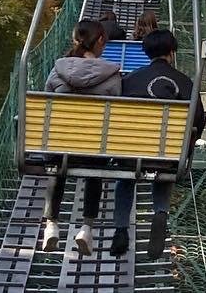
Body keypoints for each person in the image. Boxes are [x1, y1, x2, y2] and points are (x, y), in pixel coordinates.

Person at [112, 29, 196, 259]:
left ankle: (121, 228)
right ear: (172, 52)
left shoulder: (130, 79)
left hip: (130, 153)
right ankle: (160, 212)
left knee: (125, 177)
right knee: (165, 165)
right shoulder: (185, 83)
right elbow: (197, 119)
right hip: (166, 154)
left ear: (146, 52)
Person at [41, 19, 122, 256]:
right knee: (97, 160)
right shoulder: (111, 75)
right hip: (93, 150)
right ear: (100, 40)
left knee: (57, 162)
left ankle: (51, 225)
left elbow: (46, 103)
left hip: (60, 145)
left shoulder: (58, 70)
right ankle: (87, 228)